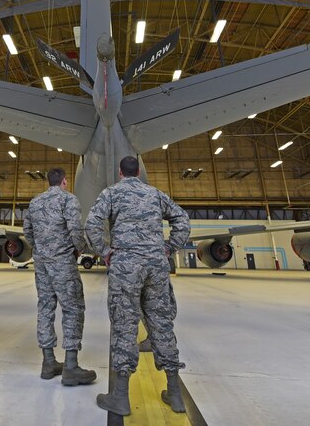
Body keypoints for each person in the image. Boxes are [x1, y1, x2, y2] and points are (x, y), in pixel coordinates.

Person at [86, 156, 190, 416]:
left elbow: (91, 223)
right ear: (139, 172)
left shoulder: (111, 193)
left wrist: (104, 251)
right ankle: (174, 394)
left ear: (120, 173)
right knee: (161, 323)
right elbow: (182, 221)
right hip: (156, 264)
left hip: (125, 264)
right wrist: (168, 247)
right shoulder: (154, 194)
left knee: (125, 324)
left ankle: (120, 397)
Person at [23, 167, 96, 386]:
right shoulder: (68, 200)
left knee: (45, 307)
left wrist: (41, 249)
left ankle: (48, 362)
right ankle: (71, 367)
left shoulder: (35, 202)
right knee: (72, 308)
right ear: (64, 181)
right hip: (63, 262)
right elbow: (75, 229)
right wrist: (79, 248)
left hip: (42, 263)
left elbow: (27, 231)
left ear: (49, 181)